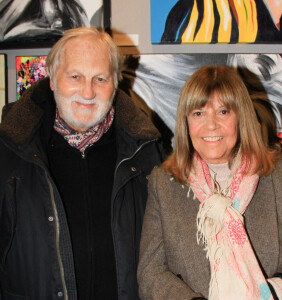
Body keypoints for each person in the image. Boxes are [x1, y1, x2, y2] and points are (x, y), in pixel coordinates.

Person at [0, 27, 163, 300]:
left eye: (100, 79)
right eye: (75, 76)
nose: (87, 92)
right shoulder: (10, 149)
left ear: (115, 83)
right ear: (52, 79)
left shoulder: (146, 151)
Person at [137, 65, 282, 299]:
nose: (210, 125)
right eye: (198, 113)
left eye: (223, 112)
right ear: (186, 123)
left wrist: (280, 290)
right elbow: (151, 273)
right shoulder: (163, 183)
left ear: (241, 117)